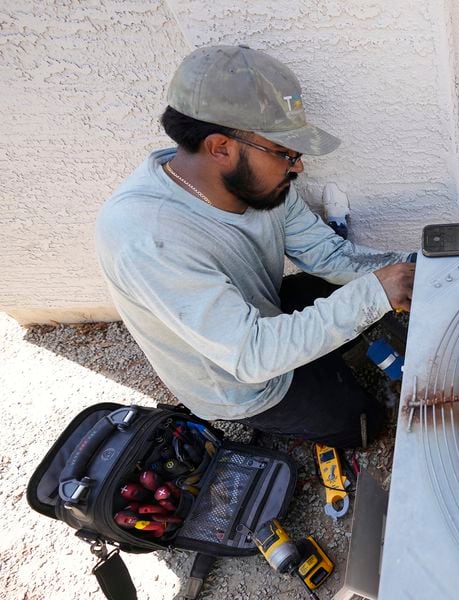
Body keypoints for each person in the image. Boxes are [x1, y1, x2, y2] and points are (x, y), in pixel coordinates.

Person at [95, 45, 415, 447]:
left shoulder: (258, 184)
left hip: (261, 314)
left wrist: (422, 267)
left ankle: (322, 351)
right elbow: (252, 356)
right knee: (367, 426)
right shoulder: (147, 239)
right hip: (241, 379)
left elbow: (328, 255)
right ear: (220, 148)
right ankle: (285, 411)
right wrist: (376, 292)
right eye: (285, 152)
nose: (297, 166)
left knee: (349, 293)